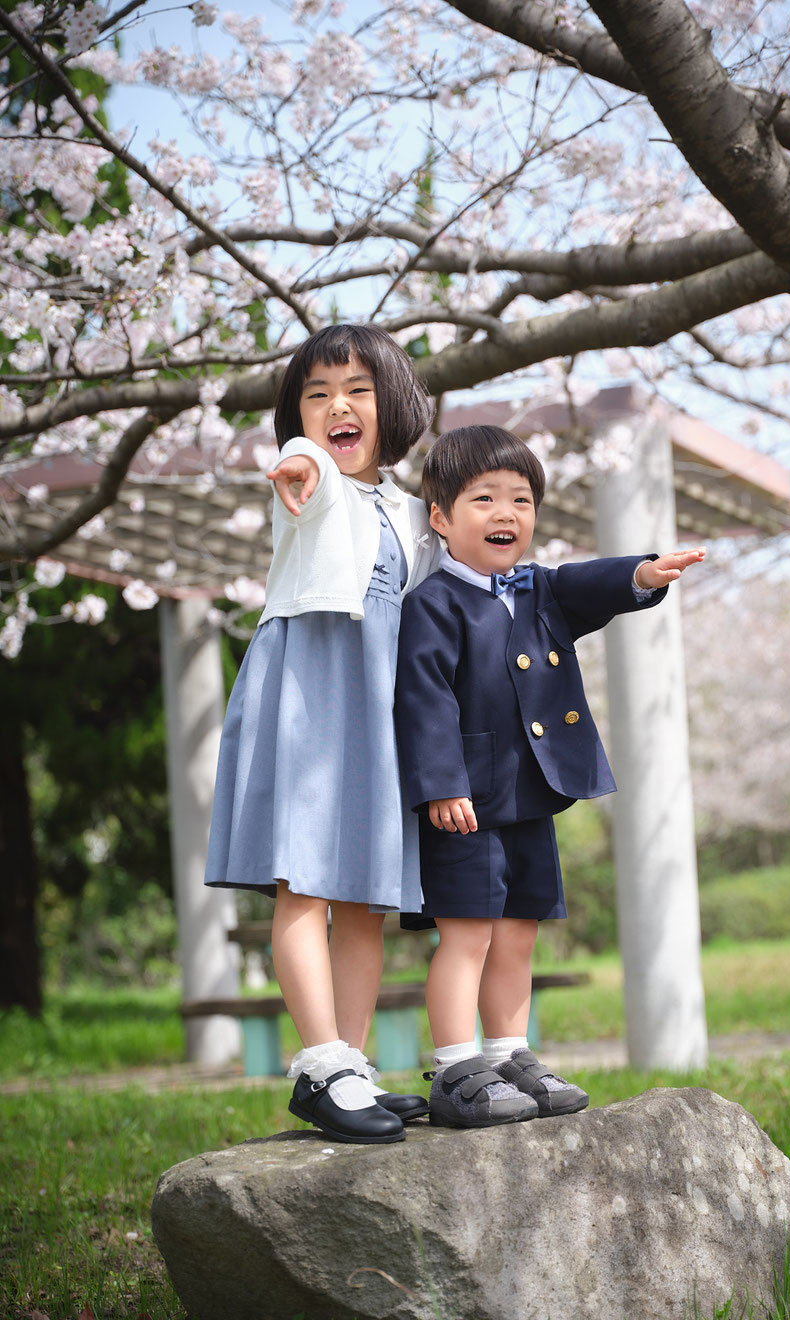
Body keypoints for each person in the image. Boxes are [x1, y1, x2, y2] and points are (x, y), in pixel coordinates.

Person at [394, 424, 705, 1129]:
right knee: (467, 932)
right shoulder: (433, 604)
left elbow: (584, 583)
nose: (506, 514)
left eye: (521, 499)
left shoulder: (538, 591)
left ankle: (508, 1053)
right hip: (464, 804)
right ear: (440, 518)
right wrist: (441, 785)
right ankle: (454, 1067)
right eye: (484, 499)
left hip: (532, 795)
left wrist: (641, 575)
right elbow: (423, 700)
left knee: (519, 930)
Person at [205, 324, 442, 1144]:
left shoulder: (416, 514)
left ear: (394, 403)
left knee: (365, 898)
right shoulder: (314, 484)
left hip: (378, 708)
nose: (337, 406)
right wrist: (299, 462)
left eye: (357, 390)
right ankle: (321, 1065)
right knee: (302, 882)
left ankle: (354, 1066)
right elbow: (299, 472)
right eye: (317, 394)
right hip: (309, 688)